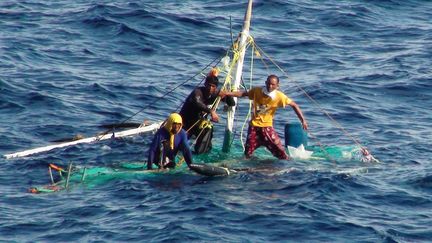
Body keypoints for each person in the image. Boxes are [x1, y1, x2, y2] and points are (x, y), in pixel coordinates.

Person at [220, 74, 308, 159]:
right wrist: (228, 93)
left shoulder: (279, 97)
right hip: (254, 127)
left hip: (266, 127)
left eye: (273, 84)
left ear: (277, 85)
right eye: (268, 83)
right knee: (247, 153)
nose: (270, 86)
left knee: (280, 152)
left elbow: (294, 105)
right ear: (265, 82)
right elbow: (244, 94)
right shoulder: (257, 91)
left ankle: (288, 164)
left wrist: (302, 120)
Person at [179, 70, 235, 154]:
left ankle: (199, 153)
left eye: (213, 86)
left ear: (215, 87)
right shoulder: (198, 92)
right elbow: (197, 102)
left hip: (198, 122)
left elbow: (232, 103)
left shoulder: (215, 94)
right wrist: (211, 111)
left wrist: (227, 93)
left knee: (208, 129)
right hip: (185, 121)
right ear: (205, 84)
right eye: (209, 85)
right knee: (179, 144)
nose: (210, 88)